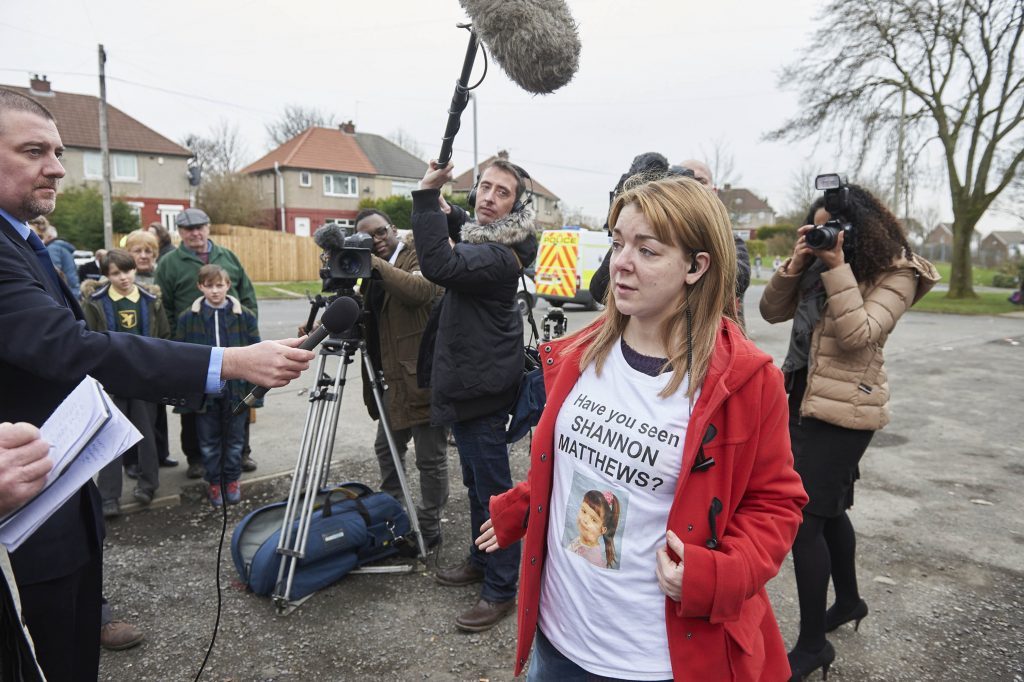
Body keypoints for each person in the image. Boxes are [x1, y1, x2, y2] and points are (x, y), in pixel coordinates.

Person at [0, 88, 314, 681]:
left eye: (60, 152)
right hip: (24, 510)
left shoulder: (21, 237)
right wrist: (230, 362)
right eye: (34, 150)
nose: (57, 168)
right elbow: (67, 347)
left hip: (61, 493)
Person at [475, 175, 807, 680]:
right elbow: (584, 464)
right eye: (617, 243)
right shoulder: (580, 354)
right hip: (558, 638)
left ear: (697, 266)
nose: (620, 263)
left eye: (647, 250)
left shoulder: (744, 381)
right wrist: (526, 505)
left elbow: (776, 504)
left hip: (651, 658)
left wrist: (717, 576)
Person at [759, 185, 939, 681]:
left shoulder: (899, 271)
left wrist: (836, 266)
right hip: (799, 395)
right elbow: (772, 312)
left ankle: (813, 644)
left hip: (846, 410)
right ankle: (851, 601)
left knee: (805, 521)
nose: (824, 235)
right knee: (829, 510)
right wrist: (798, 263)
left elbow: (859, 334)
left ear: (862, 229)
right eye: (816, 226)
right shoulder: (818, 263)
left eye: (832, 227)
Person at [412, 158, 539, 632]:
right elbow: (465, 229)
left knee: (494, 494)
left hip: (482, 393)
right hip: (472, 387)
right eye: (484, 186)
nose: (488, 196)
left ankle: (502, 588)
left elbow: (439, 263)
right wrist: (445, 212)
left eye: (502, 192)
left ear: (515, 206)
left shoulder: (500, 257)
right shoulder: (489, 238)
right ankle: (481, 559)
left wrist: (425, 196)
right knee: (477, 486)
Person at [354, 209, 449, 550]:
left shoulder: (417, 255)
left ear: (393, 229)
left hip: (423, 378)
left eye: (380, 233)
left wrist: (374, 264)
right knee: (386, 447)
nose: (377, 241)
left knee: (430, 458)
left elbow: (420, 290)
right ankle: (393, 514)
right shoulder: (364, 269)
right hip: (391, 380)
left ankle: (429, 526)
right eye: (367, 238)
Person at [156, 207, 260, 478]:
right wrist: (172, 343)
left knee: (238, 400)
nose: (195, 233)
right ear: (179, 232)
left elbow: (247, 295)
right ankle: (196, 458)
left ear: (208, 227)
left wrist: (247, 331)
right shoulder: (170, 262)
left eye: (200, 227)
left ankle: (242, 453)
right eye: (188, 229)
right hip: (192, 343)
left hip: (232, 340)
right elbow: (164, 305)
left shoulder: (227, 257)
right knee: (194, 404)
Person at [589, 156, 751, 322]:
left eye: (700, 181)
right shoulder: (645, 234)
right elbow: (601, 291)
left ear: (714, 191)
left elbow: (736, 281)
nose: (690, 187)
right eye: (681, 181)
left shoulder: (731, 241)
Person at [82, 248, 170, 516]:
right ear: (107, 276)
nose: (123, 277)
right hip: (112, 380)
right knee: (111, 437)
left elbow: (164, 336)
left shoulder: (150, 299)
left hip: (144, 378)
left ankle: (148, 485)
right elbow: (88, 339)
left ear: (135, 270)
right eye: (116, 273)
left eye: (127, 270)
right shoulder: (95, 302)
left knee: (146, 433)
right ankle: (108, 496)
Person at [175, 264, 261, 507]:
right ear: (200, 286)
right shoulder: (187, 318)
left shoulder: (244, 316)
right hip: (205, 392)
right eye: (209, 286)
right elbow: (180, 356)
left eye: (219, 285)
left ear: (228, 285)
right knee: (209, 441)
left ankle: (232, 480)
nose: (214, 291)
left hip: (237, 390)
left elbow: (256, 352)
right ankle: (214, 482)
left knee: (234, 440)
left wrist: (256, 390)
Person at [566, 489, 620, 569]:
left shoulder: (593, 559)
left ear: (603, 530)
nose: (585, 520)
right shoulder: (579, 540)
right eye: (584, 511)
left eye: (593, 520)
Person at [30, 215, 80, 301]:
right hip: (72, 291)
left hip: (63, 295)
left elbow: (52, 274)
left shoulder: (53, 248)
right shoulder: (62, 247)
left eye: (40, 236)